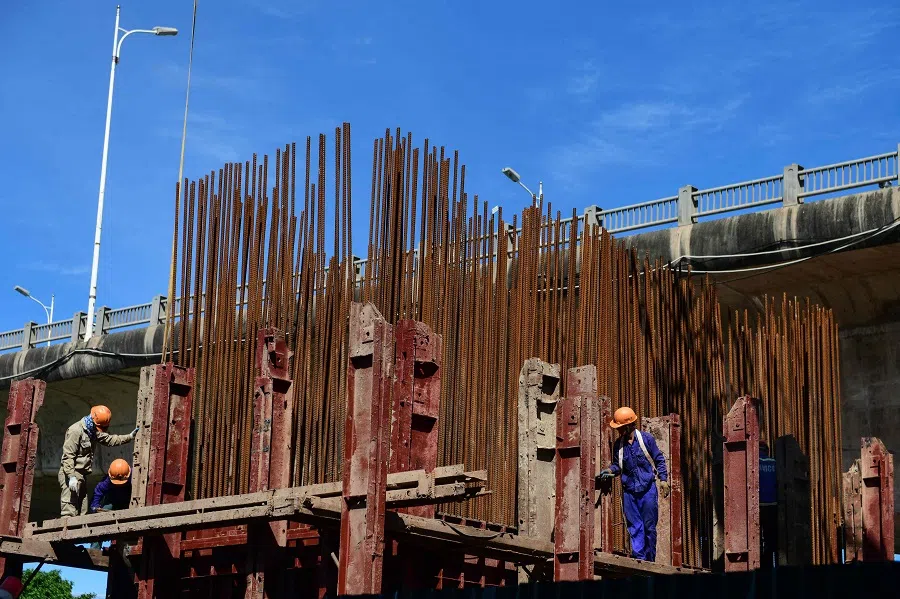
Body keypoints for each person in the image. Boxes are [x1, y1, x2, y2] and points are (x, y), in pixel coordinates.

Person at [597, 406, 669, 562]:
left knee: (649, 527)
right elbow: (618, 466)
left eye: (621, 427)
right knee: (635, 528)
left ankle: (650, 561)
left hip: (647, 490)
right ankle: (640, 560)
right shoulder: (619, 445)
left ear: (629, 425)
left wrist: (663, 479)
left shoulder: (646, 439)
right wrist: (609, 470)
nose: (619, 431)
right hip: (629, 492)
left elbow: (659, 459)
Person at [58, 405, 138, 517]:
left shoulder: (92, 431)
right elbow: (68, 457)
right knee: (69, 510)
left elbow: (109, 440)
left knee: (82, 511)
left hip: (81, 476)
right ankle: (65, 533)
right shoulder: (75, 431)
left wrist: (129, 437)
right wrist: (71, 477)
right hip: (71, 474)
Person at [759, 441, 778, 568]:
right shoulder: (775, 463)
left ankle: (759, 563)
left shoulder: (753, 462)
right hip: (772, 505)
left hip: (757, 506)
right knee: (770, 539)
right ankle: (769, 565)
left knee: (755, 537)